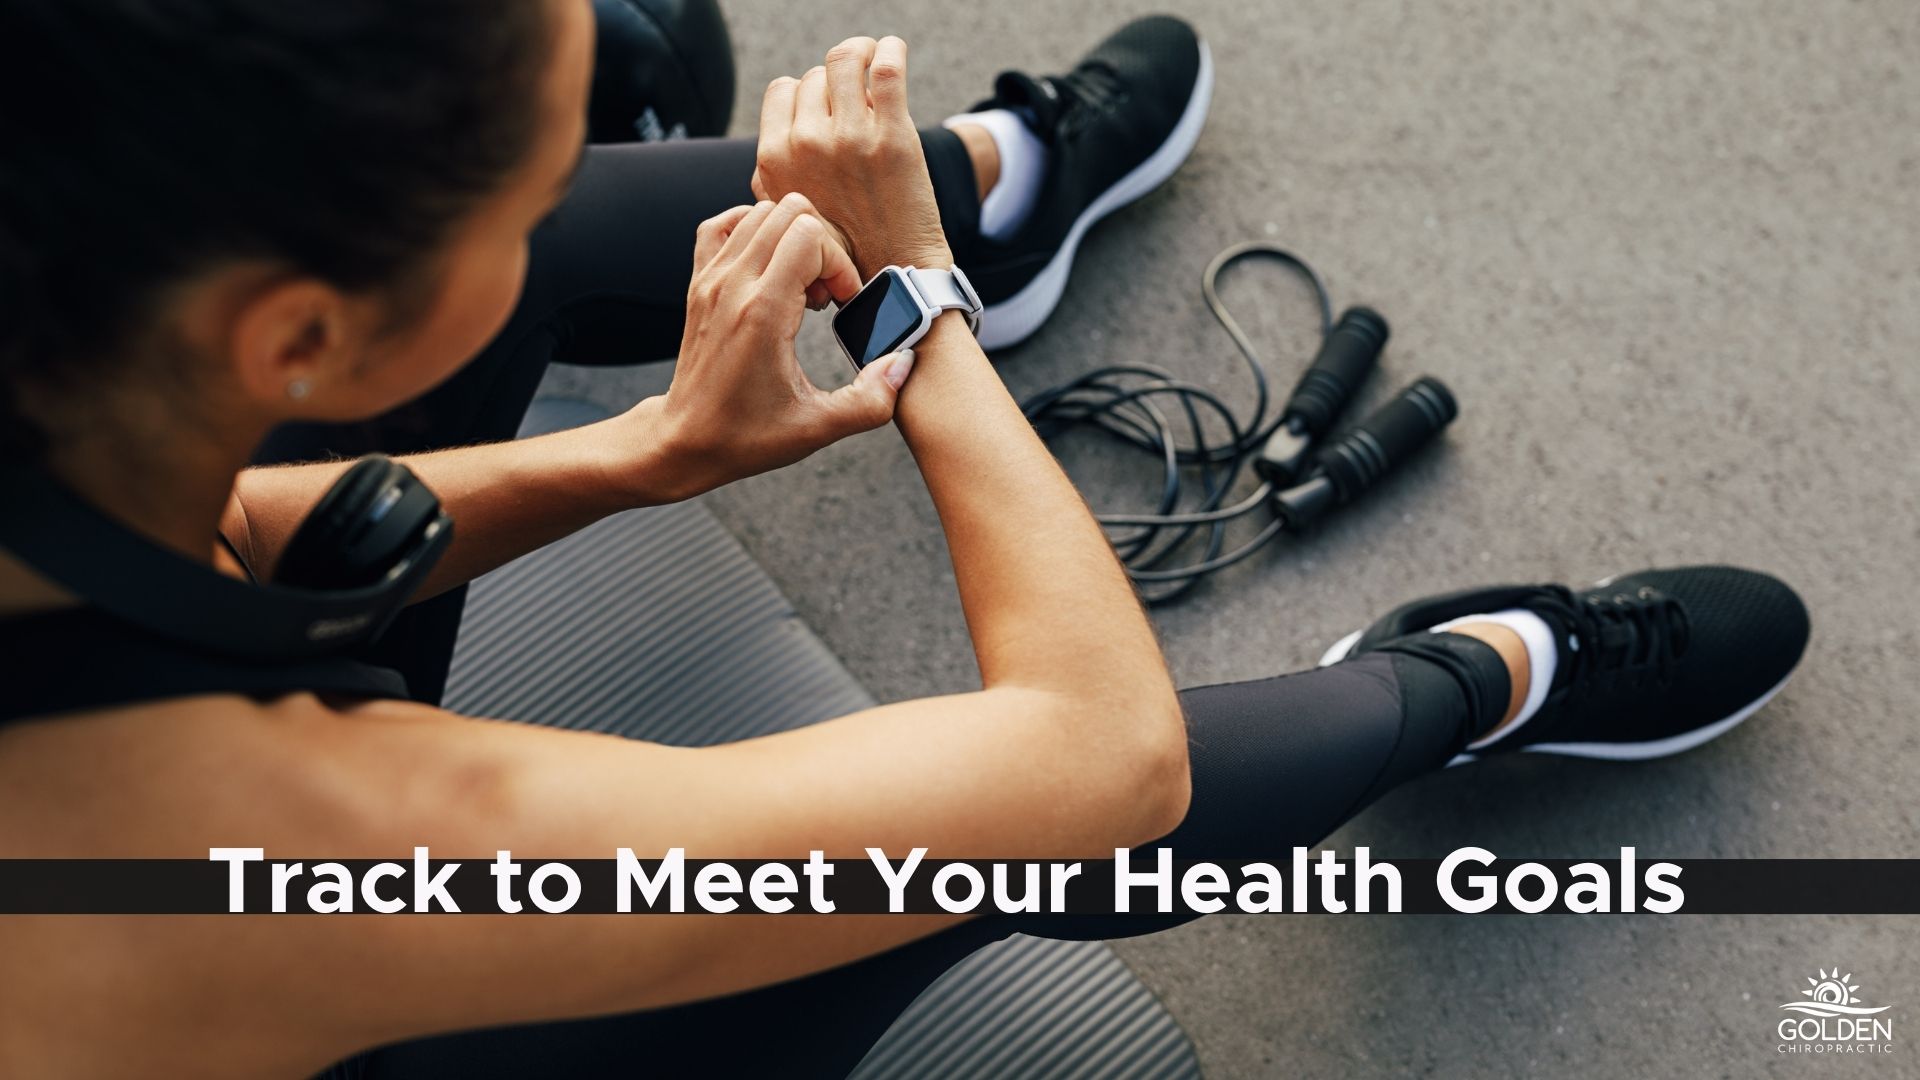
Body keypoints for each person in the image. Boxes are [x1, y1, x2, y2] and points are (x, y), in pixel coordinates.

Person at [0, 3, 1810, 1077]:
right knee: (954, 859)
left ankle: (993, 202)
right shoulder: (285, 851)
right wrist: (911, 308)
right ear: (297, 345)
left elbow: (223, 524)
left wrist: (639, 452)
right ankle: (1471, 680)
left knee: (537, 207)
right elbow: (1098, 762)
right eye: (541, 158)